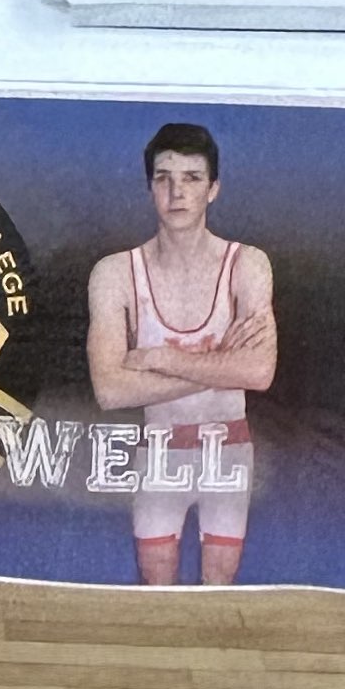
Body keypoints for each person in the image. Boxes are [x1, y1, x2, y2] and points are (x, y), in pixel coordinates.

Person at [85, 120, 279, 586]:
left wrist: (161, 358)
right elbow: (110, 390)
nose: (177, 192)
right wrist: (220, 365)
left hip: (227, 449)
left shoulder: (247, 264)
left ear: (213, 189)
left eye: (191, 178)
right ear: (150, 187)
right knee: (156, 584)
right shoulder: (115, 272)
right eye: (164, 178)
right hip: (160, 450)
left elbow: (259, 372)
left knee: (219, 583)